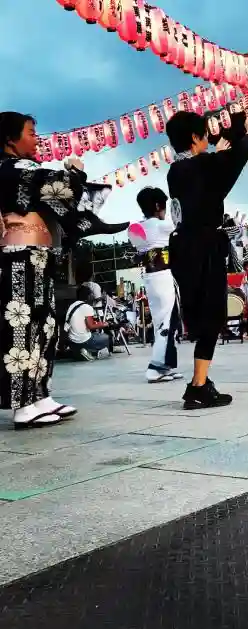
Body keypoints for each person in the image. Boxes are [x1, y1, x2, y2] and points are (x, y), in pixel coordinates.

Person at [0, 111, 124, 428]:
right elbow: (59, 188)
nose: (36, 139)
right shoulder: (11, 169)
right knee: (23, 327)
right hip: (18, 257)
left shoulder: (20, 169)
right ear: (10, 139)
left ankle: (40, 395)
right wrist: (74, 173)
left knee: (44, 325)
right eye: (30, 133)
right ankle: (22, 404)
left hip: (37, 255)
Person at [166, 110, 248, 409]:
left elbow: (210, 180)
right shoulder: (203, 165)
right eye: (205, 136)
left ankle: (200, 383)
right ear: (195, 137)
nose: (208, 141)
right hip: (203, 246)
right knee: (212, 313)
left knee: (201, 314)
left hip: (183, 247)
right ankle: (198, 387)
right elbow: (231, 164)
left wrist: (216, 155)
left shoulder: (176, 170)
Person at [128, 187, 183, 383]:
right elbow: (182, 225)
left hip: (150, 277)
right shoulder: (163, 226)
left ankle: (166, 366)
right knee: (167, 322)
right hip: (163, 276)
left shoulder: (134, 228)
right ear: (158, 206)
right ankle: (155, 367)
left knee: (164, 321)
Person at [65, 285, 111, 360]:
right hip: (83, 340)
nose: (93, 296)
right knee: (106, 337)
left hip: (72, 341)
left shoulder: (72, 305)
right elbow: (91, 326)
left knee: (95, 335)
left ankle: (82, 352)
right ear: (89, 296)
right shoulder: (87, 307)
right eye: (92, 294)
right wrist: (104, 324)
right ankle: (93, 352)